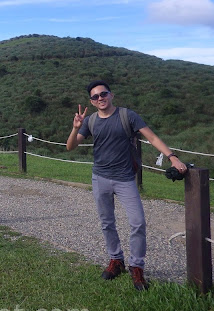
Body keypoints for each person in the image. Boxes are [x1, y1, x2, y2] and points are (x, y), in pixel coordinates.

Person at [66, 80, 188, 291]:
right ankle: (116, 260)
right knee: (107, 222)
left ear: (111, 95)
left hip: (124, 179)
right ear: (91, 102)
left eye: (103, 94)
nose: (100, 98)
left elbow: (151, 137)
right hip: (100, 178)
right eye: (95, 97)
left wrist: (172, 157)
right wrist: (75, 127)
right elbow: (70, 146)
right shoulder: (91, 121)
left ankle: (137, 266)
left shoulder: (127, 116)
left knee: (138, 222)